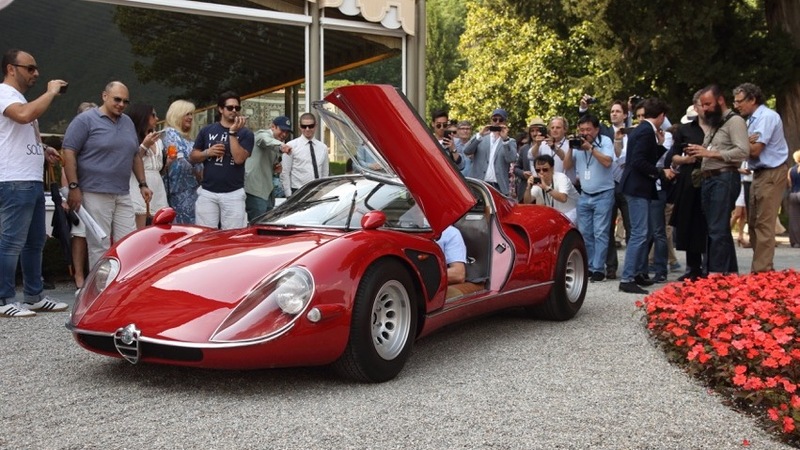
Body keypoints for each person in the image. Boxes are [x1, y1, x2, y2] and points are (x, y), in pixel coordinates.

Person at [0, 49, 68, 317]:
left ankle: (34, 295)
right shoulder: (4, 93)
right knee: (12, 242)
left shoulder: (17, 97)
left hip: (29, 177)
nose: (36, 73)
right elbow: (24, 116)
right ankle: (4, 299)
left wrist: (42, 148)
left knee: (35, 241)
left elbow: (18, 132)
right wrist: (50, 92)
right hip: (14, 178)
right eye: (30, 68)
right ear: (11, 68)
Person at [63, 81, 153, 268]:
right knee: (100, 245)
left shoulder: (127, 122)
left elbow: (134, 154)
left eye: (125, 101)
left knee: (128, 243)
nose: (121, 104)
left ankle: (122, 289)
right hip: (94, 191)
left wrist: (143, 183)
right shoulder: (85, 120)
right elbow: (69, 151)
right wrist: (73, 186)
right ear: (104, 96)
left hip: (122, 191)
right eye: (117, 99)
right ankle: (100, 291)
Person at [685, 84, 749, 275]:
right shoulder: (716, 123)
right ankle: (729, 274)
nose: (704, 108)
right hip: (710, 179)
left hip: (724, 177)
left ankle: (716, 274)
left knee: (717, 229)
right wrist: (698, 152)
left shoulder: (735, 121)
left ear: (720, 100)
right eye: (702, 105)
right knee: (717, 228)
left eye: (707, 104)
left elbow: (742, 151)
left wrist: (710, 154)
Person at [618, 98, 675, 294]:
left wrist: (659, 145)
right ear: (661, 116)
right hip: (637, 187)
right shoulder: (645, 131)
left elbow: (640, 157)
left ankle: (637, 273)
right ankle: (627, 278)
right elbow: (638, 161)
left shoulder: (642, 130)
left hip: (636, 186)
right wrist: (660, 172)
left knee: (642, 232)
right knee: (640, 233)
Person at [733, 83, 790, 273]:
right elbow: (748, 147)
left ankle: (762, 273)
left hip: (771, 173)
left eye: (740, 101)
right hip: (759, 174)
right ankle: (763, 269)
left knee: (764, 224)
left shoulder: (766, 117)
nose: (736, 105)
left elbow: (755, 150)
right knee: (755, 223)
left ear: (752, 99)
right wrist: (744, 143)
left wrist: (738, 143)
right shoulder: (752, 120)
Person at [189, 91, 254, 229]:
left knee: (233, 237)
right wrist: (207, 152)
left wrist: (232, 133)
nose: (234, 111)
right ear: (220, 109)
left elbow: (239, 159)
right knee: (204, 234)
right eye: (230, 108)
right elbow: (193, 157)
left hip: (233, 192)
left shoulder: (246, 133)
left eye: (237, 108)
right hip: (208, 191)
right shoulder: (207, 130)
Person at [564, 114, 615, 282]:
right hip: (585, 195)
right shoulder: (577, 145)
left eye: (588, 130)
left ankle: (599, 268)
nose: (585, 133)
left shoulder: (605, 141)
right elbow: (566, 166)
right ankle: (591, 266)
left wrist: (590, 148)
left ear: (597, 129)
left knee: (600, 232)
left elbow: (608, 162)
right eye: (582, 130)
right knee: (586, 233)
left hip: (604, 194)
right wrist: (571, 147)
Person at [667, 98, 708, 281]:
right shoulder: (685, 130)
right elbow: (673, 155)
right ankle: (693, 267)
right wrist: (686, 159)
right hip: (690, 180)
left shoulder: (720, 127)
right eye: (701, 105)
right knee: (689, 222)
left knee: (710, 224)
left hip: (713, 177)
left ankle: (713, 266)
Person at [128, 103, 169, 229]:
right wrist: (144, 145)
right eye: (153, 115)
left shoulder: (159, 140)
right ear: (143, 116)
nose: (157, 118)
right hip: (138, 184)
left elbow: (159, 169)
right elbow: (131, 160)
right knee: (138, 230)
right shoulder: (132, 138)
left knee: (160, 228)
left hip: (157, 187)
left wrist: (169, 161)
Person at [245, 116, 292, 221]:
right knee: (258, 226)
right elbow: (265, 140)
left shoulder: (275, 142)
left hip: (268, 192)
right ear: (273, 126)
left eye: (287, 132)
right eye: (282, 130)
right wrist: (281, 146)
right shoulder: (262, 134)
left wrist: (275, 168)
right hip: (255, 190)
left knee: (267, 226)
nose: (284, 134)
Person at [161, 99, 200, 224]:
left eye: (191, 114)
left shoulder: (190, 140)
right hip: (177, 193)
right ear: (177, 114)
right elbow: (182, 158)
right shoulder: (170, 133)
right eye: (186, 114)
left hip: (192, 192)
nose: (190, 117)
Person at [463, 108, 518, 195]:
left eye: (501, 120)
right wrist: (480, 134)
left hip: (499, 187)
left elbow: (511, 159)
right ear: (491, 121)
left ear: (505, 122)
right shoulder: (480, 138)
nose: (497, 122)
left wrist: (505, 140)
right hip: (479, 184)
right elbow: (466, 151)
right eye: (495, 119)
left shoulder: (510, 141)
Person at [281, 112, 329, 197]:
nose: (307, 129)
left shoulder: (323, 148)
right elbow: (285, 172)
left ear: (316, 125)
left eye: (310, 126)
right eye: (304, 126)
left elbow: (325, 173)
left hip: (318, 192)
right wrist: (288, 194)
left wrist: (324, 192)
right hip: (298, 191)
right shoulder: (291, 146)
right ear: (299, 126)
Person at [523, 154, 579, 223]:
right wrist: (528, 187)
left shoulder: (561, 178)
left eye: (545, 169)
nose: (541, 172)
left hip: (572, 210)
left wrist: (546, 188)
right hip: (557, 214)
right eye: (538, 170)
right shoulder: (538, 182)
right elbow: (527, 201)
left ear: (552, 169)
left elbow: (563, 198)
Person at [514, 118, 546, 202]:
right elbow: (516, 168)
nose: (535, 133)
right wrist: (523, 173)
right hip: (526, 188)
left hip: (544, 189)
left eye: (538, 130)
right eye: (532, 131)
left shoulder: (548, 146)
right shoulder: (524, 148)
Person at [788, 149, 800, 248]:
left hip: (793, 194)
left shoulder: (791, 170)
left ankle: (795, 242)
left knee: (794, 219)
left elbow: (789, 183)